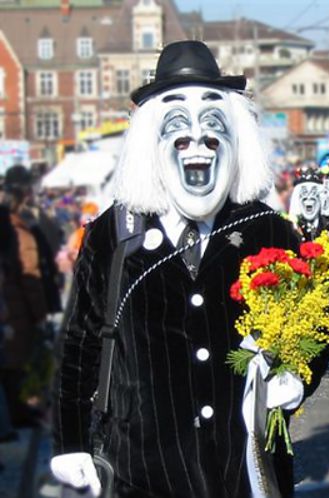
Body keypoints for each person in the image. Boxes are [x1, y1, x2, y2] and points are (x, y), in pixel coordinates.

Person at [52, 41, 307, 497]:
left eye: (212, 134)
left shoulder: (268, 230)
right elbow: (81, 343)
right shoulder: (114, 234)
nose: (197, 147)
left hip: (243, 470)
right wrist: (71, 442)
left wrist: (298, 374)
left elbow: (306, 324)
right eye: (181, 136)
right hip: (144, 471)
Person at [1, 165, 60, 428]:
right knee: (18, 363)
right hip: (17, 307)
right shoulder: (16, 226)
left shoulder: (21, 222)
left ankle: (20, 413)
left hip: (15, 304)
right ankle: (19, 414)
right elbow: (29, 272)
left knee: (18, 362)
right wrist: (39, 313)